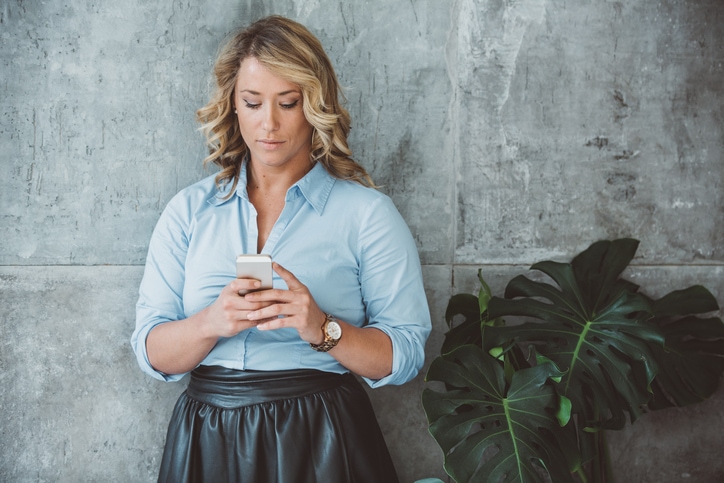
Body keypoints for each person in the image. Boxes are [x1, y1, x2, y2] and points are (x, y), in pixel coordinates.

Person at [131, 15, 431, 483]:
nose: (268, 123)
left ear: (314, 106)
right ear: (233, 106)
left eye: (287, 103)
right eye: (253, 102)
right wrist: (213, 321)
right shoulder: (189, 210)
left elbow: (406, 352)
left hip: (324, 435)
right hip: (207, 436)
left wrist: (322, 328)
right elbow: (149, 350)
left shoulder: (367, 214)